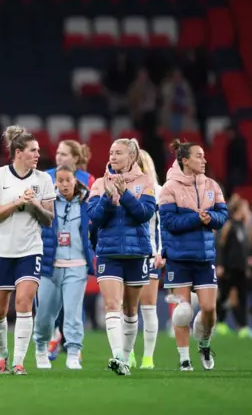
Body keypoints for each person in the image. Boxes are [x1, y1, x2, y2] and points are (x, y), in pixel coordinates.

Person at [0, 126, 56, 375]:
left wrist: (34, 204)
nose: (38, 154)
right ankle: (3, 355)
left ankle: (19, 362)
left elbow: (49, 219)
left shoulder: (44, 180)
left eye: (38, 150)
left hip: (30, 250)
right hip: (0, 250)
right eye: (33, 150)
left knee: (24, 303)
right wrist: (16, 203)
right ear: (18, 152)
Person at [88, 138, 156, 376]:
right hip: (109, 253)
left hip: (137, 252)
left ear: (132, 157)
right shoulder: (98, 184)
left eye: (118, 153)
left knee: (130, 309)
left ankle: (126, 359)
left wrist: (124, 193)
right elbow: (95, 219)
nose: (113, 156)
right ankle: (118, 356)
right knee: (112, 305)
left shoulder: (145, 182)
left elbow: (144, 214)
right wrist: (108, 199)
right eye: (111, 152)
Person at [160, 139, 228, 371]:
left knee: (209, 309)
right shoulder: (170, 188)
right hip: (179, 257)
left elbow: (222, 214)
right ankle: (184, 359)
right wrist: (196, 218)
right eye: (199, 156)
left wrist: (213, 219)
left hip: (204, 257)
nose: (204, 159)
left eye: (204, 156)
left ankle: (204, 344)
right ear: (185, 160)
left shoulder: (212, 185)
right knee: (183, 311)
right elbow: (168, 222)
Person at [33, 164, 95, 370]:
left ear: (75, 180)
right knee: (44, 314)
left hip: (77, 265)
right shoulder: (48, 202)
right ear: (55, 182)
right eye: (60, 180)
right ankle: (41, 348)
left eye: (68, 180)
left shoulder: (87, 203)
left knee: (73, 312)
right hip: (51, 266)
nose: (65, 184)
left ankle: (74, 353)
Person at [44, 139, 94, 360]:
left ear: (75, 158)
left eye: (64, 154)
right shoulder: (45, 176)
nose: (59, 157)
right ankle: (53, 337)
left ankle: (73, 346)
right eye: (57, 153)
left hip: (76, 251)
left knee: (74, 303)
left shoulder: (87, 180)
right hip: (52, 250)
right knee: (50, 303)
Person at [129, 150, 164, 369]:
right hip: (125, 252)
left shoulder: (158, 192)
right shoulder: (119, 187)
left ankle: (148, 358)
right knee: (127, 307)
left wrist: (160, 252)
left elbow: (162, 226)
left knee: (148, 307)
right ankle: (128, 353)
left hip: (149, 253)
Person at [216, 197, 251, 337]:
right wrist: (220, 264)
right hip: (228, 268)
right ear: (238, 209)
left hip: (241, 268)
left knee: (242, 297)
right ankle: (220, 323)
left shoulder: (243, 226)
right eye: (245, 208)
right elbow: (220, 246)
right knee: (223, 295)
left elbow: (245, 248)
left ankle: (242, 326)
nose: (247, 211)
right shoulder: (228, 226)